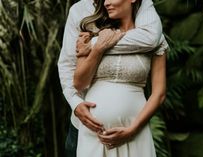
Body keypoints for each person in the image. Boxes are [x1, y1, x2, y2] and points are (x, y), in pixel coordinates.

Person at [57, 0, 168, 156]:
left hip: (135, 132)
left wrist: (133, 129)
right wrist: (98, 47)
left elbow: (159, 93)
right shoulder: (89, 27)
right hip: (92, 133)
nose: (107, 3)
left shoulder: (150, 31)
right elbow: (75, 78)